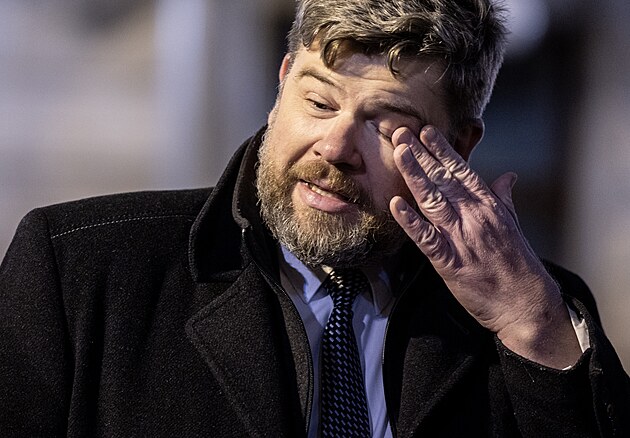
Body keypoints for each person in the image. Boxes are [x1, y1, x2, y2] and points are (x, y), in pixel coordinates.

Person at [1, 0, 628, 436]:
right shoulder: (76, 271)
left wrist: (532, 327)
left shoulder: (538, 315)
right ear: (282, 86)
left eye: (386, 124)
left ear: (458, 147)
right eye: (319, 102)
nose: (334, 147)